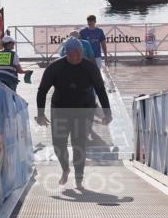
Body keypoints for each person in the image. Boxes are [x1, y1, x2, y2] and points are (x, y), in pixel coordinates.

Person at [36, 37, 112, 189]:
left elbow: (101, 90)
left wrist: (107, 113)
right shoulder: (55, 67)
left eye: (79, 53)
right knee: (58, 143)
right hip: (60, 109)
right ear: (67, 53)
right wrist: (40, 113)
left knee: (79, 144)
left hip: (84, 109)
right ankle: (65, 168)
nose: (77, 56)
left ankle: (79, 179)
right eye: (73, 53)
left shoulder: (90, 67)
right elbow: (42, 90)